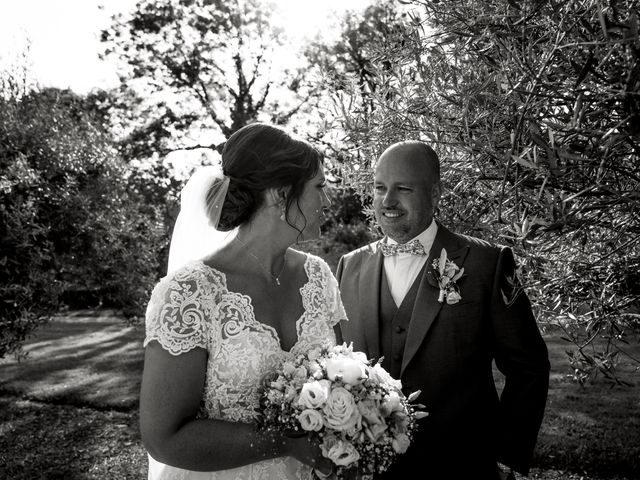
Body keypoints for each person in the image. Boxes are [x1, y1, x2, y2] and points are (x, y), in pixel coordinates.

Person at [140, 122, 346, 480]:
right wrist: (283, 442)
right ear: (281, 194)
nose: (326, 201)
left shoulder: (318, 277)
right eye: (319, 187)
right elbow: (164, 437)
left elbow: (342, 374)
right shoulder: (189, 293)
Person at [336, 140, 550, 480]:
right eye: (379, 188)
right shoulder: (350, 266)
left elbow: (529, 366)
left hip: (461, 466)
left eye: (403, 189)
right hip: (367, 470)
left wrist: (507, 454)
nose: (387, 201)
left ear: (435, 194)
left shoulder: (487, 264)